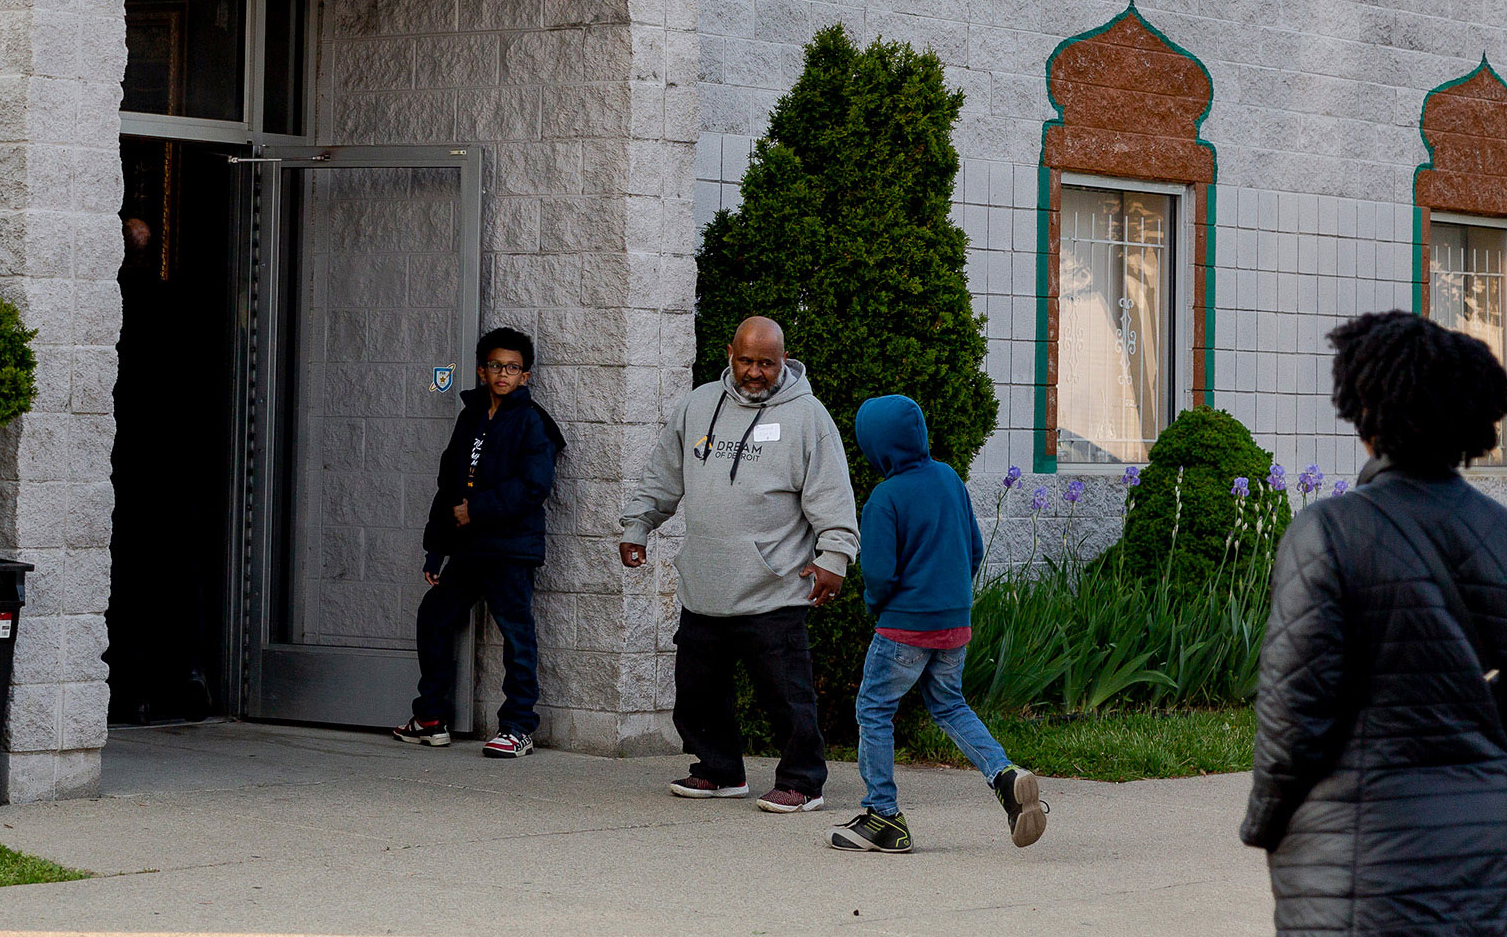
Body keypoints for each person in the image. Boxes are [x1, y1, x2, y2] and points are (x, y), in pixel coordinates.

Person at [1244, 310, 1507, 936]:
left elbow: (1292, 719)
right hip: (1481, 864)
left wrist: (1263, 820)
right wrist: (1464, 751)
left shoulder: (1327, 533)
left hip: (1352, 867)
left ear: (1364, 415)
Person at [619, 316, 858, 813]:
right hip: (705, 583)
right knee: (697, 693)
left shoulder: (807, 416)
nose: (755, 372)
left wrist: (835, 556)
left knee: (787, 698)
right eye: (746, 360)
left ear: (784, 361)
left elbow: (832, 494)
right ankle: (719, 770)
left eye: (766, 364)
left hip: (774, 587)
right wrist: (638, 524)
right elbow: (663, 473)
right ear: (730, 352)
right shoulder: (699, 404)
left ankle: (803, 781)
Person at [829, 394, 1047, 854]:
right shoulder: (949, 479)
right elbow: (974, 549)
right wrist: (949, 599)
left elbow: (880, 575)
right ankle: (1006, 776)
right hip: (954, 625)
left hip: (903, 628)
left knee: (874, 709)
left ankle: (882, 816)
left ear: (877, 447)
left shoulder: (885, 497)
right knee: (949, 706)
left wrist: (877, 605)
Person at [391, 326, 565, 759]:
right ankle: (430, 717)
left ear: (525, 375)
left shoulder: (533, 422)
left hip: (510, 548)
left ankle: (519, 726)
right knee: (434, 617)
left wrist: (478, 509)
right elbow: (448, 482)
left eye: (512, 367)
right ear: (481, 369)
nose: (502, 374)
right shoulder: (469, 416)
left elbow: (534, 486)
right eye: (494, 366)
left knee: (515, 633)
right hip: (468, 549)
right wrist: (437, 547)